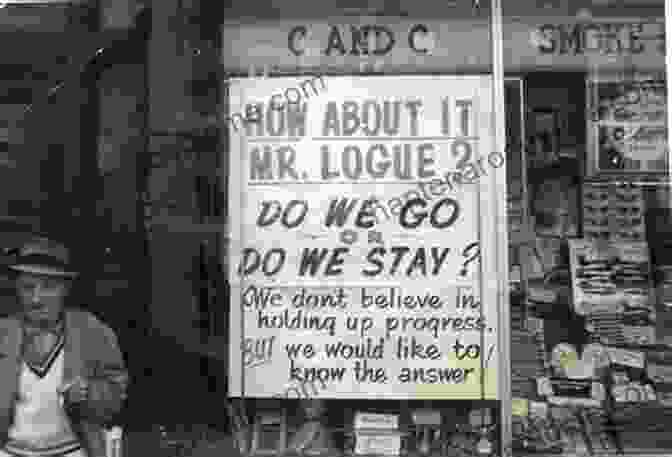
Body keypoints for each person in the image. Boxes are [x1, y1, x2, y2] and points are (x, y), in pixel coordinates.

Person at [0, 237, 128, 457]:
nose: (36, 298)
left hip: (71, 452)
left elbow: (116, 397)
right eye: (28, 287)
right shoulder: (3, 332)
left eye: (48, 287)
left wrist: (88, 394)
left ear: (66, 289)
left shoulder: (91, 331)